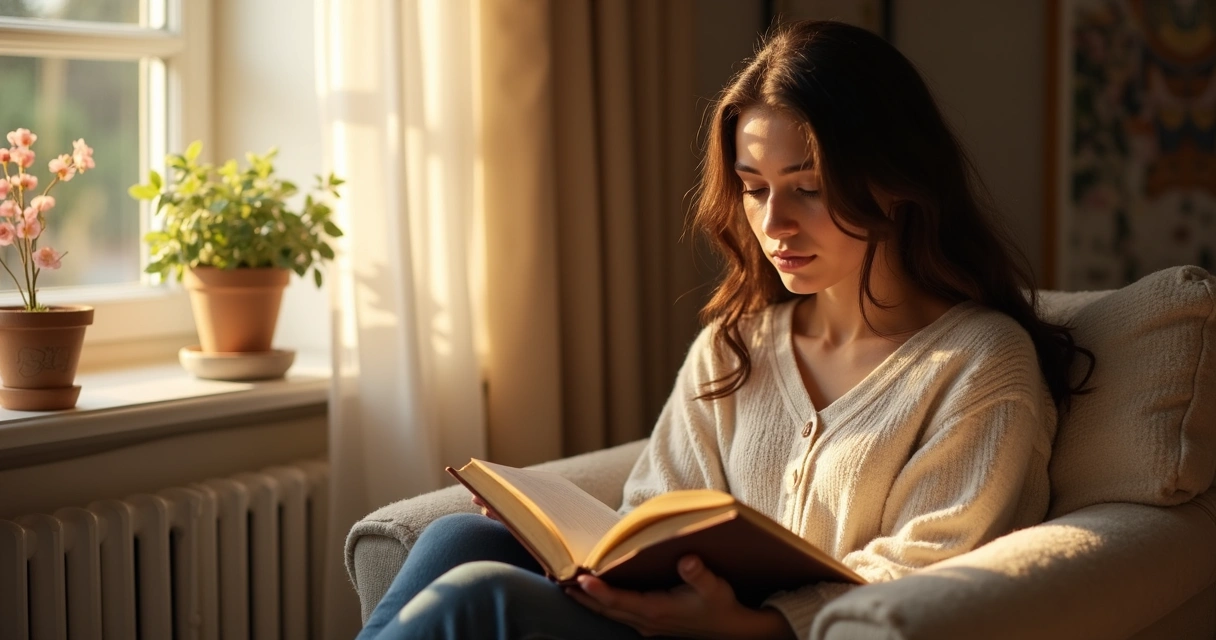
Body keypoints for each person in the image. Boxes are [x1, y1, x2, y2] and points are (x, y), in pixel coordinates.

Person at [355, 19, 1094, 640]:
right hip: (664, 620)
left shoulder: (980, 363)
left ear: (897, 180)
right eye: (753, 188)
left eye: (807, 188)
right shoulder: (736, 345)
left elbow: (933, 570)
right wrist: (563, 537)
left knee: (478, 597)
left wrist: (756, 624)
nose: (774, 223)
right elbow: (653, 514)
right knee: (458, 538)